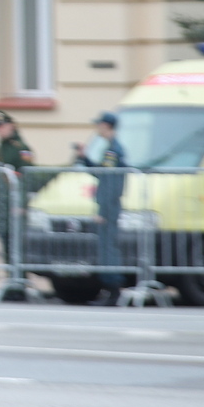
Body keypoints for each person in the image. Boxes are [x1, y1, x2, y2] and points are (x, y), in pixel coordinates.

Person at [74, 112, 128, 296]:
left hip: (109, 208)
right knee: (105, 247)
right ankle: (109, 289)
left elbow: (111, 184)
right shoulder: (110, 149)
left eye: (99, 125)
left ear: (106, 126)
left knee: (108, 248)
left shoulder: (113, 151)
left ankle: (113, 289)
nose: (97, 128)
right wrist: (84, 157)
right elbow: (101, 174)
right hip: (107, 206)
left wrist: (103, 211)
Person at [0, 110, 39, 257]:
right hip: (2, 204)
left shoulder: (20, 149)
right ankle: (12, 277)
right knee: (6, 245)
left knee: (18, 246)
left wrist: (21, 204)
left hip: (15, 204)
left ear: (11, 126)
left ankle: (20, 278)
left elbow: (26, 178)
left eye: (2, 126)